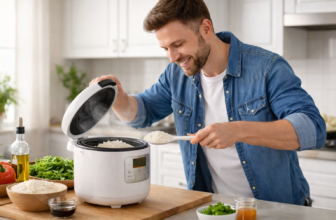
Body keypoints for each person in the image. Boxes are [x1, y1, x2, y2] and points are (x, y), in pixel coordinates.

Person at [90, 0, 326, 206]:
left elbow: (312, 129)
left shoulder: (267, 68)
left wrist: (237, 130)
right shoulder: (176, 75)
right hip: (214, 208)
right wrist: (119, 99)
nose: (172, 57)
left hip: (275, 208)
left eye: (178, 44)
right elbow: (142, 113)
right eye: (165, 49)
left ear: (205, 28)